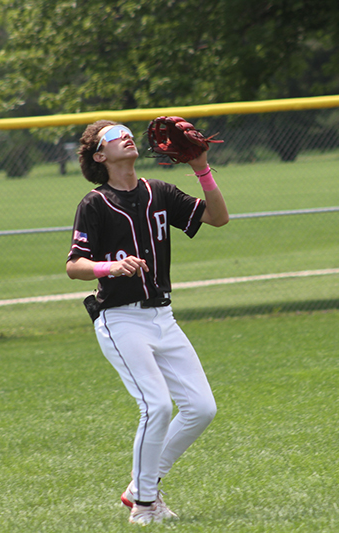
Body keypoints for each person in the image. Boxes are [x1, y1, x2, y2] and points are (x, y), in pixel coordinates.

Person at [66, 120, 229, 525]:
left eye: (126, 130)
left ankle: (142, 486)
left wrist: (202, 168)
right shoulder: (94, 203)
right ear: (100, 156)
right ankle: (143, 506)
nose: (126, 135)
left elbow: (218, 217)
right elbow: (74, 266)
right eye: (112, 135)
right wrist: (111, 267)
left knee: (201, 408)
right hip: (120, 320)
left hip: (163, 316)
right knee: (156, 406)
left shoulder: (159, 191)